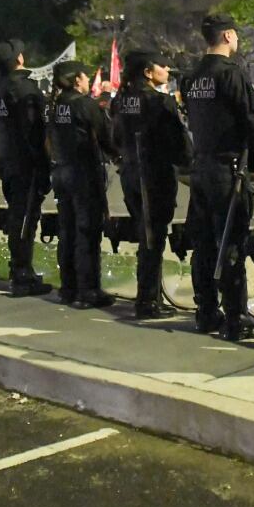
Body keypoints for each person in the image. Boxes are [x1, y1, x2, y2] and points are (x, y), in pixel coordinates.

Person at [183, 13, 254, 341]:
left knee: (204, 244)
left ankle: (206, 311)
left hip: (201, 166)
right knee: (231, 243)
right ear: (229, 36)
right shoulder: (232, 75)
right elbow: (251, 121)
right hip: (228, 169)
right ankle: (236, 316)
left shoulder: (192, 77)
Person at [111, 50, 191, 320]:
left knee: (146, 235)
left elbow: (115, 139)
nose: (167, 70)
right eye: (162, 66)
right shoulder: (159, 102)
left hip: (131, 173)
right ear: (148, 72)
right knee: (152, 238)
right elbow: (179, 145)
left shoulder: (120, 101)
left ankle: (149, 295)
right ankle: (148, 300)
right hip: (154, 176)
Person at [47, 60, 119, 307]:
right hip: (84, 173)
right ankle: (88, 290)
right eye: (85, 77)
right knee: (87, 232)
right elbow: (106, 138)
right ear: (77, 80)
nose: (88, 81)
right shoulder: (84, 105)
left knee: (66, 230)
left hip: (61, 171)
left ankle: (68, 287)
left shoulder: (56, 106)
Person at [0, 39, 54, 297]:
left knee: (17, 216)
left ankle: (19, 269)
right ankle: (22, 274)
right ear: (19, 60)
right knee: (25, 219)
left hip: (7, 162)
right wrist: (44, 166)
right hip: (27, 164)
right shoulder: (24, 89)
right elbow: (36, 132)